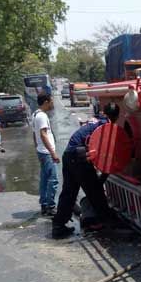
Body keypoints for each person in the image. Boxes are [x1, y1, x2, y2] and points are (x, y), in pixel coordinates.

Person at [51, 102, 118, 239]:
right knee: (95, 191)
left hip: (69, 154)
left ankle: (58, 226)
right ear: (117, 116)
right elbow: (105, 150)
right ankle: (108, 224)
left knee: (69, 191)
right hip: (79, 156)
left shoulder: (95, 120)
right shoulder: (106, 126)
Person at [32, 93, 59, 217]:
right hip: (47, 153)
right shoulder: (42, 116)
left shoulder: (35, 114)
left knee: (44, 179)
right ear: (46, 102)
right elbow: (43, 134)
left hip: (41, 151)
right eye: (51, 101)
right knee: (53, 180)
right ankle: (50, 206)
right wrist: (53, 153)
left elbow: (35, 135)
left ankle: (44, 204)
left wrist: (37, 147)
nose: (53, 103)